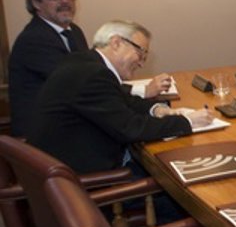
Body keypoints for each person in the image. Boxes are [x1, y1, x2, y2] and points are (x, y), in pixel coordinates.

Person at [27, 21, 212, 174]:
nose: (141, 63)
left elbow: (123, 98)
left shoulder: (84, 62)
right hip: (86, 184)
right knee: (174, 180)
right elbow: (131, 129)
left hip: (63, 172)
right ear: (116, 43)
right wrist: (187, 121)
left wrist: (158, 109)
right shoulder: (93, 74)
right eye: (140, 53)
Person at [8, 0, 88, 137]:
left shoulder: (74, 31)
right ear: (36, 3)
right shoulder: (33, 39)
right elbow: (77, 83)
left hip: (69, 125)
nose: (64, 1)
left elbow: (89, 74)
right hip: (41, 137)